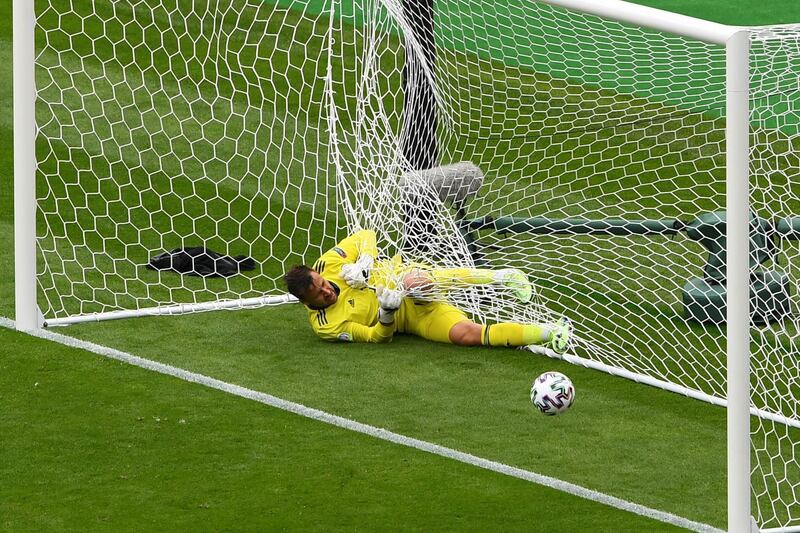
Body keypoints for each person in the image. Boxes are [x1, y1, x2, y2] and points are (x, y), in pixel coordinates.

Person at [283, 229, 571, 350]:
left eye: (322, 284)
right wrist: (386, 313)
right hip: (410, 319)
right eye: (320, 295)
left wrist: (366, 261)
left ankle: (502, 276)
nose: (327, 291)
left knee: (415, 283)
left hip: (404, 276)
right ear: (305, 302)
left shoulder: (328, 263)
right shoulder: (326, 327)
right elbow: (375, 338)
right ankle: (550, 332)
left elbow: (365, 235)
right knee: (465, 336)